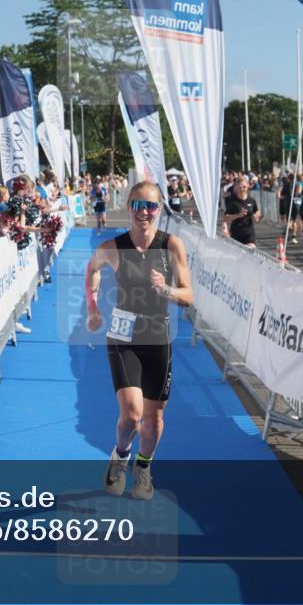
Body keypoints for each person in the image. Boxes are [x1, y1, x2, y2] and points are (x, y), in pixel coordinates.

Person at [84, 181, 194, 501]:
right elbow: (92, 268)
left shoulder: (171, 245)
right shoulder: (113, 247)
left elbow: (188, 296)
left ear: (160, 210)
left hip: (158, 337)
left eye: (151, 206)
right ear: (128, 208)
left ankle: (143, 467)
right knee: (132, 415)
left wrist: (167, 291)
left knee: (154, 418)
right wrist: (92, 308)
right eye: (138, 205)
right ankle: (120, 455)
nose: (144, 212)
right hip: (123, 335)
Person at [222, 176, 260, 247]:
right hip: (236, 233)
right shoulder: (232, 202)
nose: (242, 189)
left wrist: (256, 216)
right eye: (240, 187)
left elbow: (257, 211)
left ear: (248, 186)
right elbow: (225, 218)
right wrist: (238, 215)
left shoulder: (251, 200)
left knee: (250, 250)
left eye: (244, 187)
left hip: (249, 232)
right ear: (236, 188)